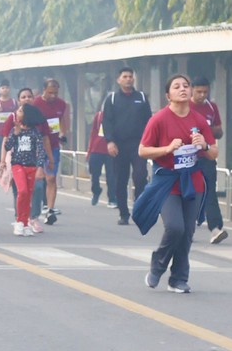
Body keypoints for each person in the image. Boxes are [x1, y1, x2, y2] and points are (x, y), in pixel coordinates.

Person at [135, 74, 218, 294]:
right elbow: (142, 150)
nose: (182, 89)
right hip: (167, 181)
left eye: (186, 86)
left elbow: (214, 152)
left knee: (187, 231)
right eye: (176, 86)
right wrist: (167, 149)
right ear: (168, 95)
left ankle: (179, 278)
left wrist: (204, 146)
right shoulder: (159, 119)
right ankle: (158, 265)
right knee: (175, 227)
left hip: (193, 182)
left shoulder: (199, 120)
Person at [101, 67, 152, 226]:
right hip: (119, 145)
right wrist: (110, 141)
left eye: (130, 76)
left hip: (138, 145)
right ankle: (123, 213)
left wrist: (150, 141)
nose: (128, 79)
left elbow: (149, 121)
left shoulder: (141, 97)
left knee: (140, 176)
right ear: (119, 80)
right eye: (125, 76)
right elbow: (106, 122)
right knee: (120, 180)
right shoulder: (112, 99)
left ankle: (139, 208)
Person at [5, 89, 49, 234]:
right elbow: (7, 146)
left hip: (31, 167)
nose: (17, 113)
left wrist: (40, 167)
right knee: (22, 191)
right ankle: (19, 221)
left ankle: (25, 224)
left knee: (29, 195)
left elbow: (40, 150)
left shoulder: (35, 132)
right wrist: (15, 134)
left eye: (20, 111)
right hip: (17, 165)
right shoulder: (15, 129)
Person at [190, 78, 228, 243]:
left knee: (210, 192)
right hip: (187, 157)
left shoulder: (212, 107)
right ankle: (187, 228)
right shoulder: (184, 106)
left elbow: (219, 131)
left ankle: (215, 228)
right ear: (192, 89)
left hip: (206, 156)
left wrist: (207, 130)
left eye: (205, 92)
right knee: (188, 193)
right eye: (199, 92)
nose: (202, 95)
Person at [34, 78, 69, 224]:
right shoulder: (35, 103)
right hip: (37, 146)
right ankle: (33, 209)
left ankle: (50, 209)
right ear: (44, 90)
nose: (53, 96)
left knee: (51, 178)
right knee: (37, 179)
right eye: (50, 93)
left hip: (53, 146)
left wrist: (62, 134)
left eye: (56, 93)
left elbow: (63, 122)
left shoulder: (61, 104)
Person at [87, 106, 110, 205]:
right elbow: (93, 133)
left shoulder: (117, 115)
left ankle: (112, 198)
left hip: (110, 150)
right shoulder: (99, 115)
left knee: (111, 176)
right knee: (94, 174)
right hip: (96, 149)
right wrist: (89, 151)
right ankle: (96, 191)